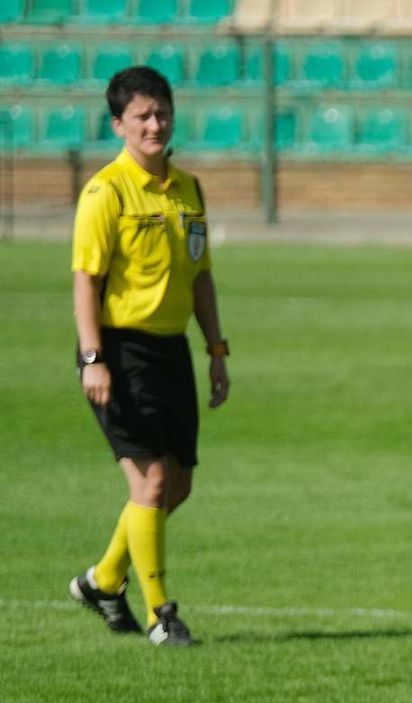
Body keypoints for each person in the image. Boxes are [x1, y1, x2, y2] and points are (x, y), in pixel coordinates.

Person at [69, 65, 230, 647]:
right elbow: (86, 281)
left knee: (177, 485)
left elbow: (202, 276)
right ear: (119, 125)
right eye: (142, 116)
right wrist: (93, 358)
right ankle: (163, 613)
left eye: (161, 113)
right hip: (118, 348)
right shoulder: (105, 192)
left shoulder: (188, 188)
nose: (155, 125)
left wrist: (215, 350)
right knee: (152, 482)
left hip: (171, 350)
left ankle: (104, 581)